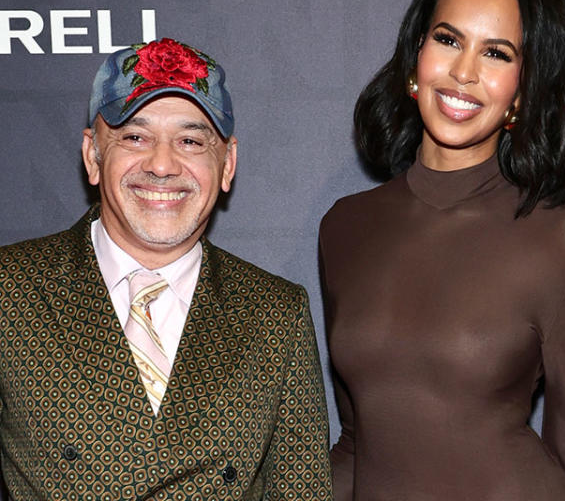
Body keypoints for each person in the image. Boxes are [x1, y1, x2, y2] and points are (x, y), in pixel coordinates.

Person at [320, 0, 565, 500]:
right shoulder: (345, 228)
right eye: (448, 39)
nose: (464, 72)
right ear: (415, 57)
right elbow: (357, 443)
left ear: (523, 89)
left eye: (496, 53)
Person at [0, 38, 332, 499]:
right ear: (93, 155)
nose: (161, 164)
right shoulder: (11, 289)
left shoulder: (275, 314)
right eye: (135, 137)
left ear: (227, 164)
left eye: (191, 141)